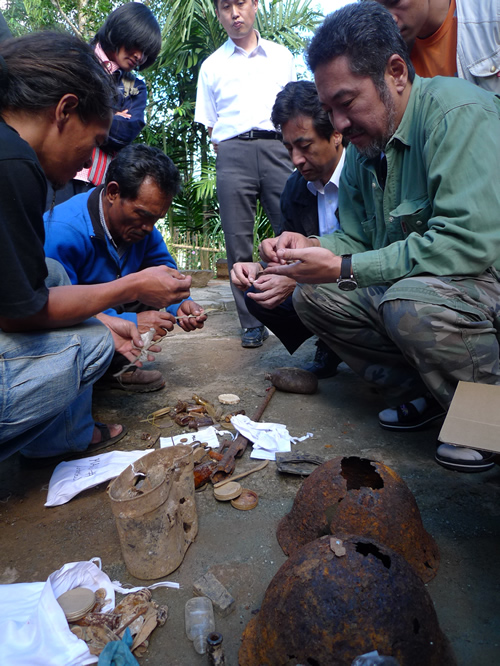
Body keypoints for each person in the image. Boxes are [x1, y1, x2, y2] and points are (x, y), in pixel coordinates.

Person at [261, 2, 500, 472]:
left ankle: (486, 422)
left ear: (395, 73)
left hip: (484, 278)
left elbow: (465, 244)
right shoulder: (364, 150)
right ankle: (427, 396)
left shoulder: (456, 114)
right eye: (330, 111)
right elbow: (358, 238)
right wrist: (310, 248)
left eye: (346, 103)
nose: (339, 124)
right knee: (314, 296)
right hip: (438, 284)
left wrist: (346, 267)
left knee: (409, 304)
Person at [0, 31, 191, 462]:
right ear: (65, 110)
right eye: (94, 142)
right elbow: (20, 313)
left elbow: (26, 295)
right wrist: (125, 302)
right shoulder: (15, 165)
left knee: (53, 276)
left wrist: (178, 301)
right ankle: (62, 437)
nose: (90, 161)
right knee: (92, 342)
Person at [44, 144, 206, 392]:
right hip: (67, 318)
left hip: (101, 313)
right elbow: (53, 309)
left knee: (156, 282)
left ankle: (113, 369)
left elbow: (164, 269)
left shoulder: (143, 229)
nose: (149, 228)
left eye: (156, 219)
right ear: (113, 192)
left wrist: (181, 303)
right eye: (142, 215)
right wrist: (129, 321)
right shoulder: (62, 231)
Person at [195, 0, 296, 348]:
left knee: (291, 230)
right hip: (232, 152)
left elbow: (294, 110)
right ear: (218, 13)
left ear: (254, 5)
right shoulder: (211, 66)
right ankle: (251, 322)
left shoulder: (282, 57)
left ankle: (301, 310)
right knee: (237, 240)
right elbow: (211, 123)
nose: (234, 13)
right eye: (225, 7)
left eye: (240, 3)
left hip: (277, 148)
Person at [231, 80, 345, 378]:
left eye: (304, 146)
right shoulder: (295, 187)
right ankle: (331, 340)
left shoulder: (367, 172)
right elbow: (288, 259)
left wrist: (300, 281)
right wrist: (259, 268)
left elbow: (377, 251)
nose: (296, 160)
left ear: (336, 133)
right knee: (258, 292)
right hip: (322, 283)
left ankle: (376, 354)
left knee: (306, 292)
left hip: (365, 276)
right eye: (289, 148)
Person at [46, 2, 162, 208]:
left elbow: (124, 134)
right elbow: (52, 110)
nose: (140, 56)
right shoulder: (75, 59)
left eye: (146, 52)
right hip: (56, 172)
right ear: (121, 31)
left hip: (99, 185)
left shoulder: (134, 87)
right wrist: (114, 115)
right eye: (137, 44)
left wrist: (83, 112)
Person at [369, 0, 500, 92]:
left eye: (394, 1)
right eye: (378, 11)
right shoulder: (383, 52)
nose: (390, 19)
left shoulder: (492, 11)